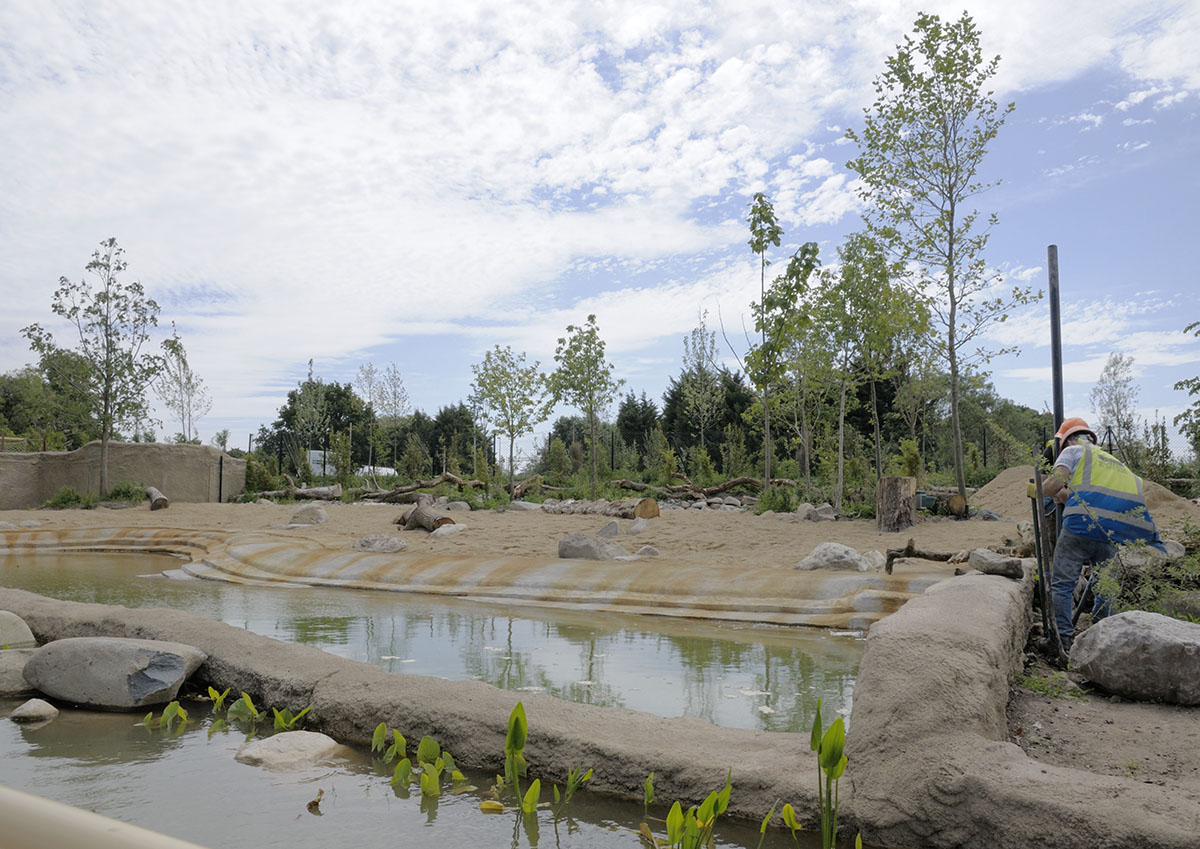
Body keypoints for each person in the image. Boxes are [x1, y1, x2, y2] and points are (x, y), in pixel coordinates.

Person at [1030, 417, 1165, 649]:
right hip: (1111, 532)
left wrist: (1036, 491)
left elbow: (1055, 483)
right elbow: (1072, 495)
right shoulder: (1114, 462)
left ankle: (1061, 640)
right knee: (1105, 585)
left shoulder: (1073, 452)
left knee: (1062, 584)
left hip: (1079, 528)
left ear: (1067, 441)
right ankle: (1101, 638)